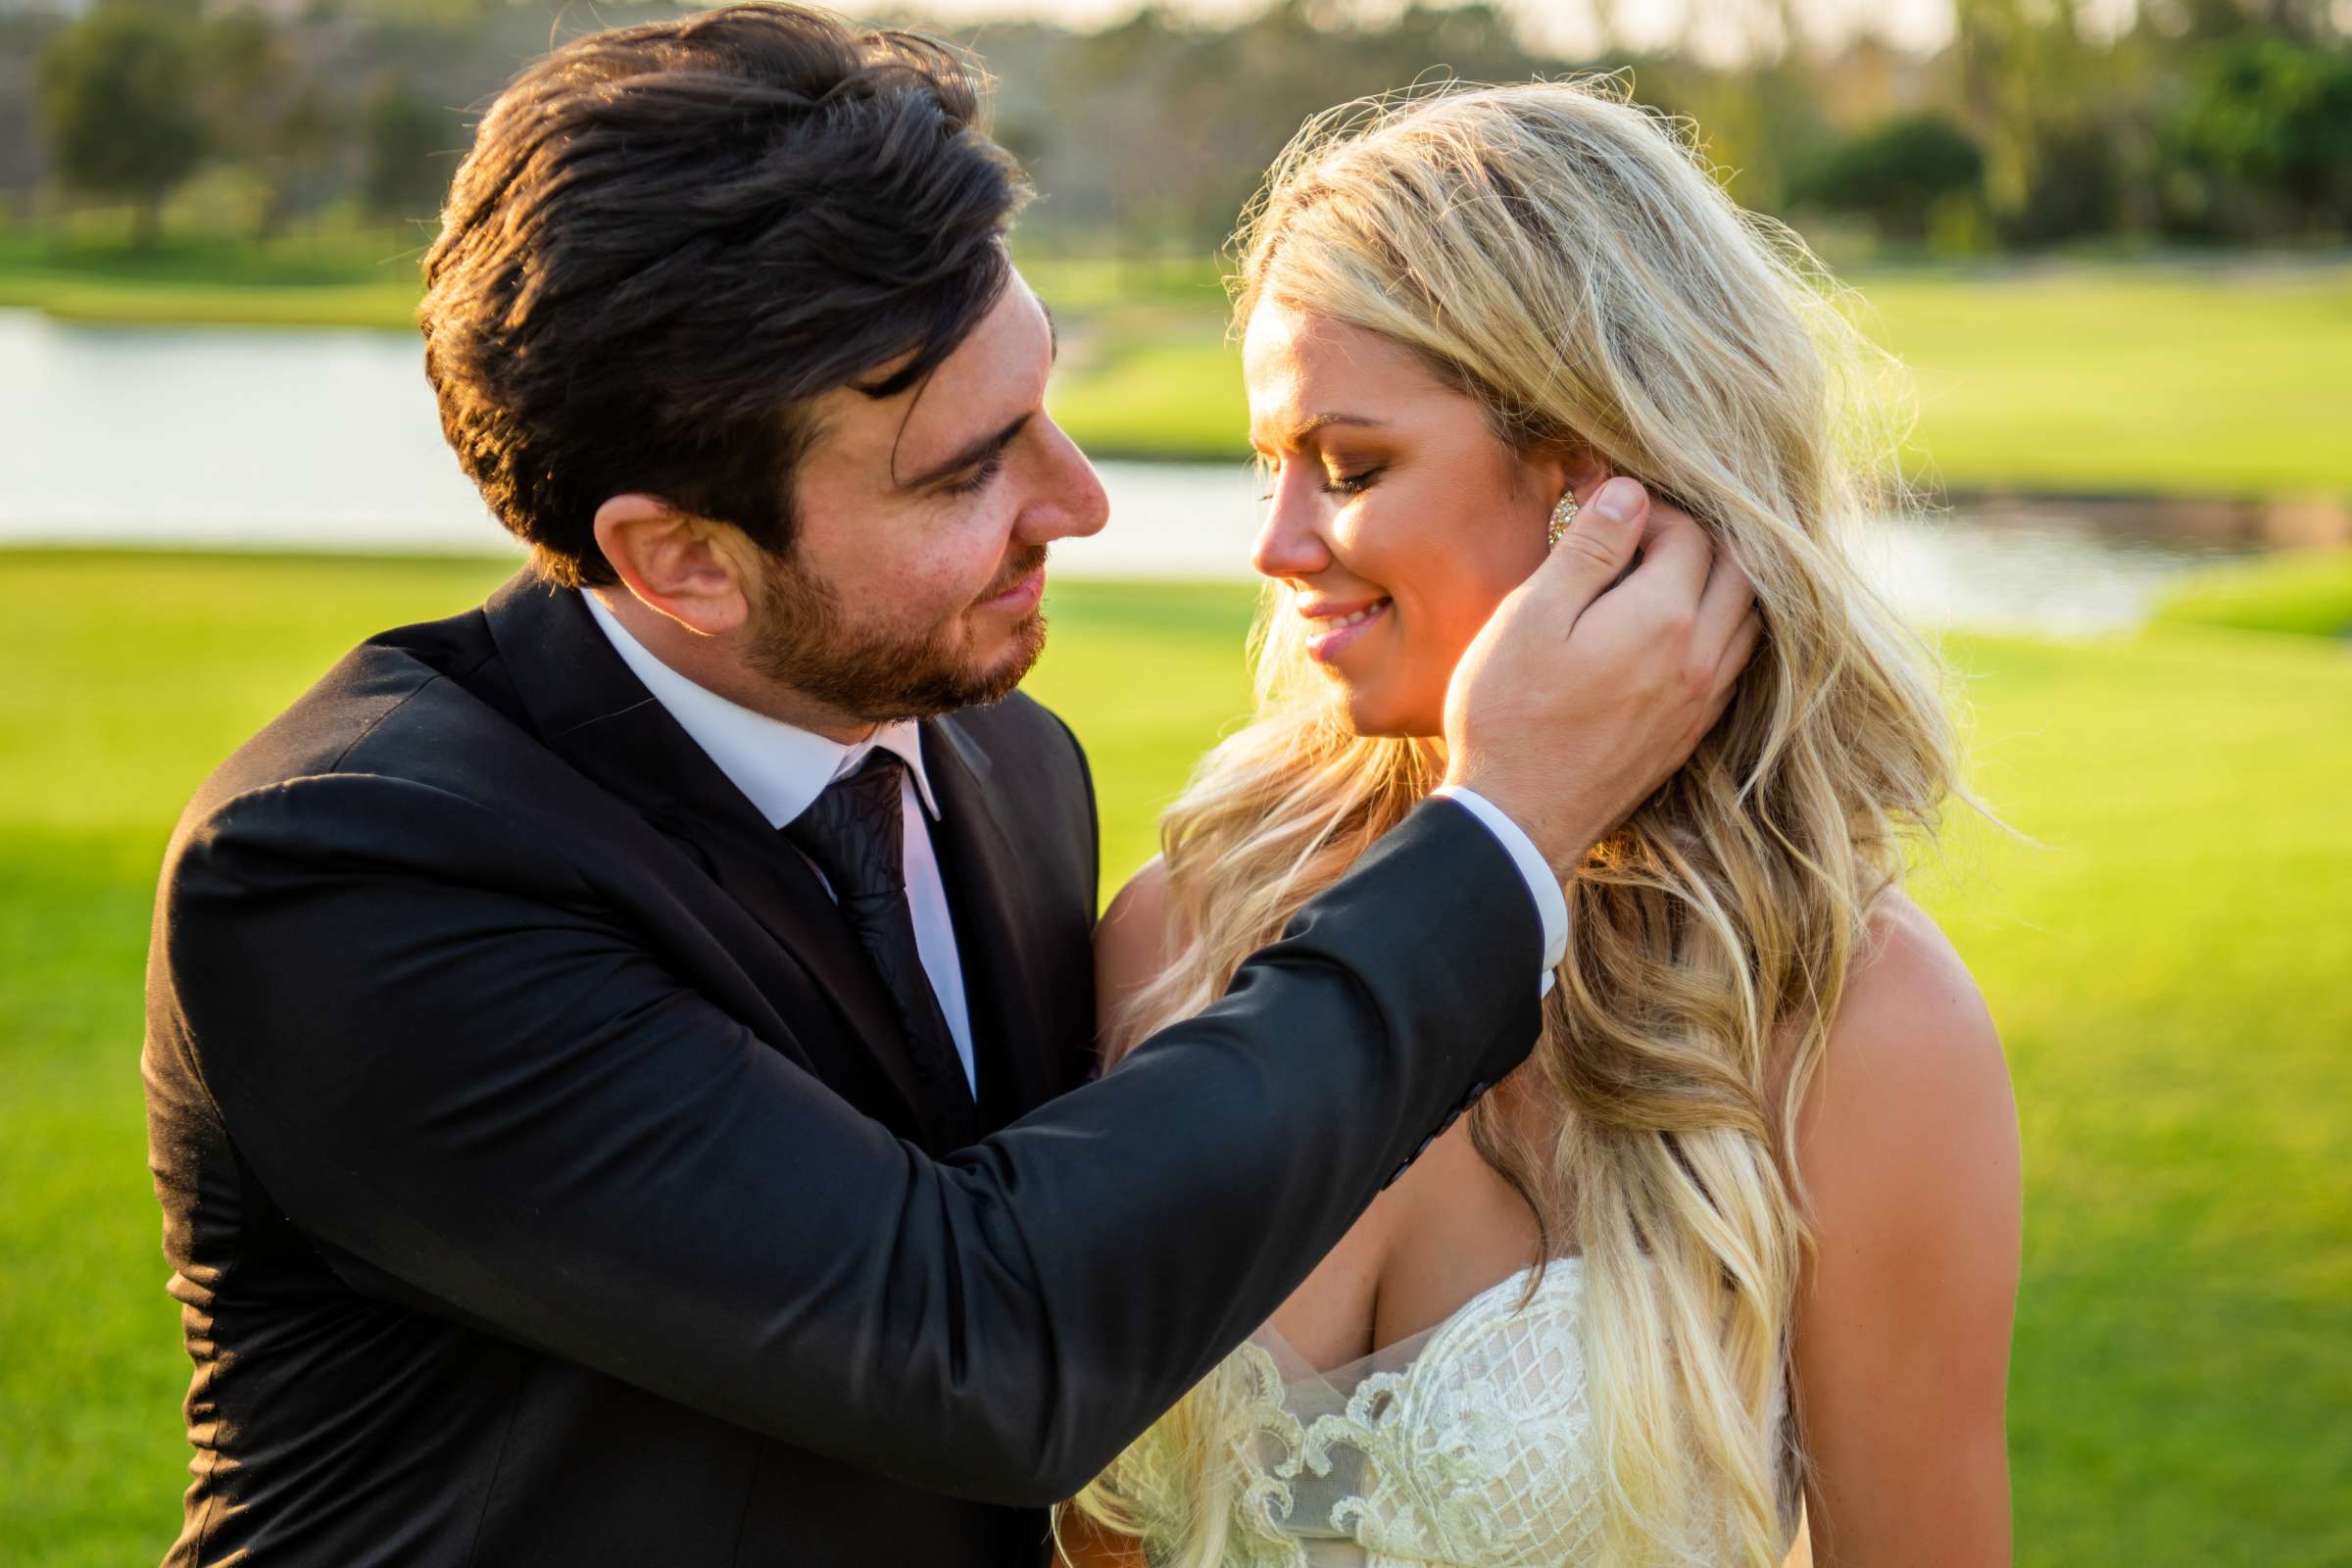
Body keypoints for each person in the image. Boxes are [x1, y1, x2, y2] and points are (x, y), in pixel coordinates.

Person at [139, 12, 1754, 1566]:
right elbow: (982, 1343)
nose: (1082, 499)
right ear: (682, 558)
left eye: (1039, 397)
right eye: (967, 469)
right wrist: (1500, 836)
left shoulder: (1004, 760)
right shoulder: (350, 880)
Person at [1061, 80, 2022, 1568]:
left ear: (1600, 486)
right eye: (1272, 462)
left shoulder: (1856, 1025)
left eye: (1350, 465)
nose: (1279, 545)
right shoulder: (1185, 927)